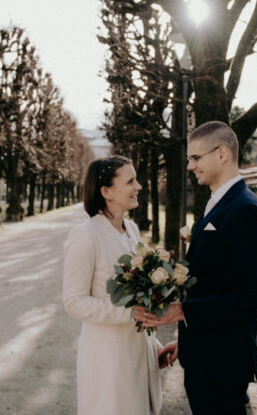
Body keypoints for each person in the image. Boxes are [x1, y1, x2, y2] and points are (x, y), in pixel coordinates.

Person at [136, 121, 257, 414]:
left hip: (224, 364)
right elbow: (215, 282)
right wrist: (187, 341)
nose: (189, 166)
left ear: (221, 153)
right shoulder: (217, 203)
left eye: (195, 158)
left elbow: (253, 297)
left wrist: (182, 312)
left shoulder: (245, 210)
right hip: (206, 354)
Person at [63, 155, 163, 415]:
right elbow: (74, 301)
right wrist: (127, 312)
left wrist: (154, 346)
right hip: (107, 359)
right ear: (106, 191)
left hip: (139, 353)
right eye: (130, 181)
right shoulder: (85, 235)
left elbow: (140, 294)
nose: (139, 186)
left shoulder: (132, 230)